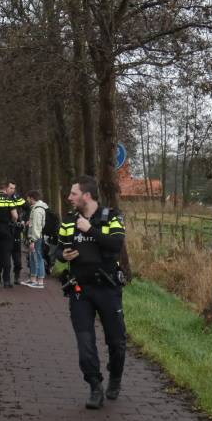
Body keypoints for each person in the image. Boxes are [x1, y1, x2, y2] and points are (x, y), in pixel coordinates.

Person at [55, 175, 127, 409]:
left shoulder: (112, 217)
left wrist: (90, 230)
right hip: (80, 290)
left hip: (107, 289)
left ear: (87, 196)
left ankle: (115, 376)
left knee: (116, 341)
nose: (69, 197)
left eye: (73, 193)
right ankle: (95, 386)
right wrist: (62, 255)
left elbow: (116, 244)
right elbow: (57, 249)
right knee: (85, 343)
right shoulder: (69, 220)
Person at [23, 190, 48, 289]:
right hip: (34, 237)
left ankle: (40, 282)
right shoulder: (35, 208)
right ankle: (33, 279)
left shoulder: (37, 210)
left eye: (28, 197)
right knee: (33, 258)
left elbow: (37, 227)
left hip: (36, 238)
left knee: (38, 258)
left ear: (32, 198)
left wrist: (33, 240)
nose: (27, 199)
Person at [7, 181, 28, 285]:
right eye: (10, 188)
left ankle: (17, 276)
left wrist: (24, 220)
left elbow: (28, 208)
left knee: (17, 256)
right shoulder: (2, 198)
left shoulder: (17, 198)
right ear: (6, 188)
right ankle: (3, 277)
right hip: (5, 230)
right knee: (4, 255)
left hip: (16, 230)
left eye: (13, 188)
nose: (12, 190)